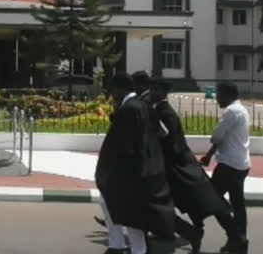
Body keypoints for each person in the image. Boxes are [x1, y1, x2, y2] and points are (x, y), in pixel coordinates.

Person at [95, 73, 175, 254]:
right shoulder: (144, 106)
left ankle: (121, 246)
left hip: (130, 173)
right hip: (147, 170)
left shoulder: (128, 110)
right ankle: (120, 246)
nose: (111, 93)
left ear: (120, 89)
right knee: (127, 213)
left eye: (113, 90)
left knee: (125, 212)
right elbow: (163, 132)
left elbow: (121, 146)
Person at [150, 77, 231, 254]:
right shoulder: (159, 110)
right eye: (152, 89)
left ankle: (192, 233)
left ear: (164, 93)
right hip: (173, 166)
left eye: (156, 89)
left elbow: (170, 140)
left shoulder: (165, 113)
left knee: (161, 204)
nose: (152, 93)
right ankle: (190, 232)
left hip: (174, 167)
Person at [200, 82, 251, 254]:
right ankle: (238, 241)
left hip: (229, 165)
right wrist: (209, 155)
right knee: (238, 205)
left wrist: (208, 155)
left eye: (219, 94)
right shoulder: (242, 110)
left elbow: (217, 136)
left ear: (229, 95)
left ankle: (237, 237)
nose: (217, 98)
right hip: (241, 164)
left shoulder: (231, 112)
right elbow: (221, 139)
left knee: (214, 201)